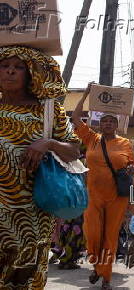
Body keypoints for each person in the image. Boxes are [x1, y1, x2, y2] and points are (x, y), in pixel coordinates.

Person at [0, 46, 81, 289]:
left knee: (26, 279)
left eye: (19, 67)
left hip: (34, 213)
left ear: (31, 72)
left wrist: (49, 143)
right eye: (5, 66)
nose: (11, 71)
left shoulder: (48, 110)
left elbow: (75, 151)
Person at [72, 84, 134, 290]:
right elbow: (75, 118)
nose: (108, 123)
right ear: (99, 124)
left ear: (117, 124)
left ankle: (106, 278)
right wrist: (85, 95)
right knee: (92, 234)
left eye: (112, 121)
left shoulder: (125, 144)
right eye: (104, 121)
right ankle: (97, 267)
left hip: (116, 198)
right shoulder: (92, 139)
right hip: (93, 196)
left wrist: (132, 174)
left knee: (110, 237)